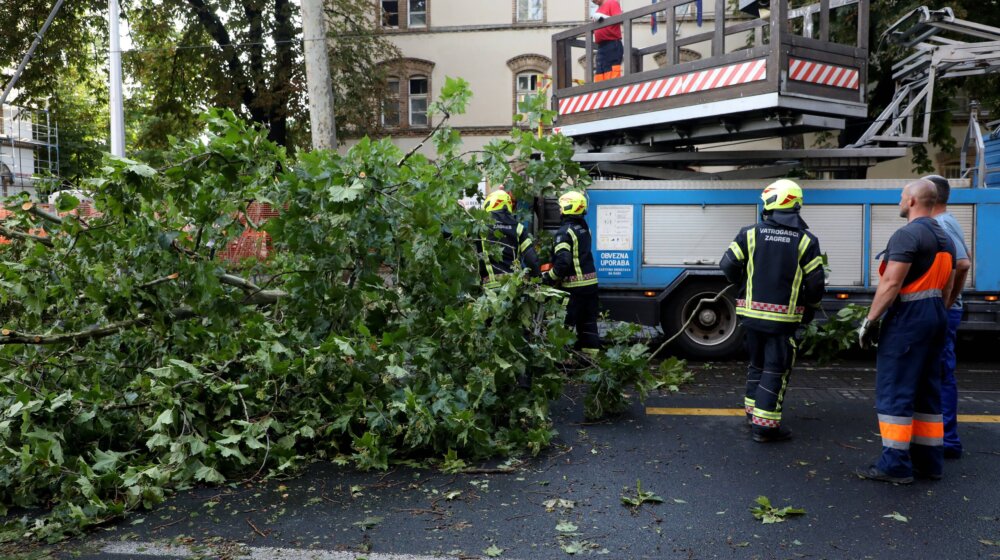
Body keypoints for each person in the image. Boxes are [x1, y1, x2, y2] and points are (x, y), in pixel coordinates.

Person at [856, 179, 956, 484]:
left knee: (895, 388)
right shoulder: (945, 237)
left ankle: (895, 464)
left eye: (902, 197)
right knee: (927, 391)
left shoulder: (907, 234)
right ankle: (928, 462)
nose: (900, 202)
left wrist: (870, 321)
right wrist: (938, 313)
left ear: (912, 201)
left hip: (908, 321)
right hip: (936, 317)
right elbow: (947, 286)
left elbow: (891, 283)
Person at [720, 179, 825, 443]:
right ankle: (765, 427)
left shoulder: (749, 234)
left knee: (756, 365)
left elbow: (727, 265)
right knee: (775, 369)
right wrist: (810, 307)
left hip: (751, 318)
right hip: (784, 322)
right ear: (796, 204)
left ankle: (753, 414)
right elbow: (816, 284)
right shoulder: (805, 241)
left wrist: (743, 284)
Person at [925, 174, 970, 459]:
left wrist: (947, 303)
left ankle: (948, 440)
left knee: (941, 374)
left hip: (946, 311)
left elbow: (963, 264)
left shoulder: (941, 224)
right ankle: (939, 437)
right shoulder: (945, 221)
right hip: (946, 309)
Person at [545, 191, 601, 350]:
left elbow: (563, 262)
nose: (559, 211)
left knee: (565, 327)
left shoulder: (564, 232)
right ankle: (591, 362)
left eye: (561, 207)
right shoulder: (584, 228)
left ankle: (563, 362)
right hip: (590, 286)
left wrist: (548, 278)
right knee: (588, 326)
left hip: (573, 289)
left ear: (569, 207)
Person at [479, 190, 540, 287]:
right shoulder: (518, 227)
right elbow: (531, 258)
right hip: (513, 287)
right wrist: (538, 281)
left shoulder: (481, 227)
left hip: (490, 287)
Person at [591, 0, 623, 82]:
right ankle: (600, 92)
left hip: (612, 43)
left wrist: (603, 17)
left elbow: (619, 19)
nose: (592, 1)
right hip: (601, 46)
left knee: (611, 72)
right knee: (600, 73)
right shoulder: (598, 10)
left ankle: (612, 91)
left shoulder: (612, 2)